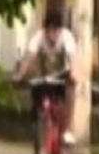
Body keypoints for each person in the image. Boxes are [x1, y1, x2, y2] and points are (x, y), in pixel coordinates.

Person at [14, 10, 80, 145]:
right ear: (45, 30)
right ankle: (39, 125)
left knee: (70, 91)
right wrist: (19, 76)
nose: (52, 36)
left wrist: (73, 75)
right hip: (44, 75)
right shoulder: (38, 38)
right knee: (37, 93)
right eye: (49, 31)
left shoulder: (67, 38)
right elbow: (28, 58)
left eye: (56, 31)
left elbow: (73, 60)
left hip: (62, 74)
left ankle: (68, 129)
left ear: (61, 30)